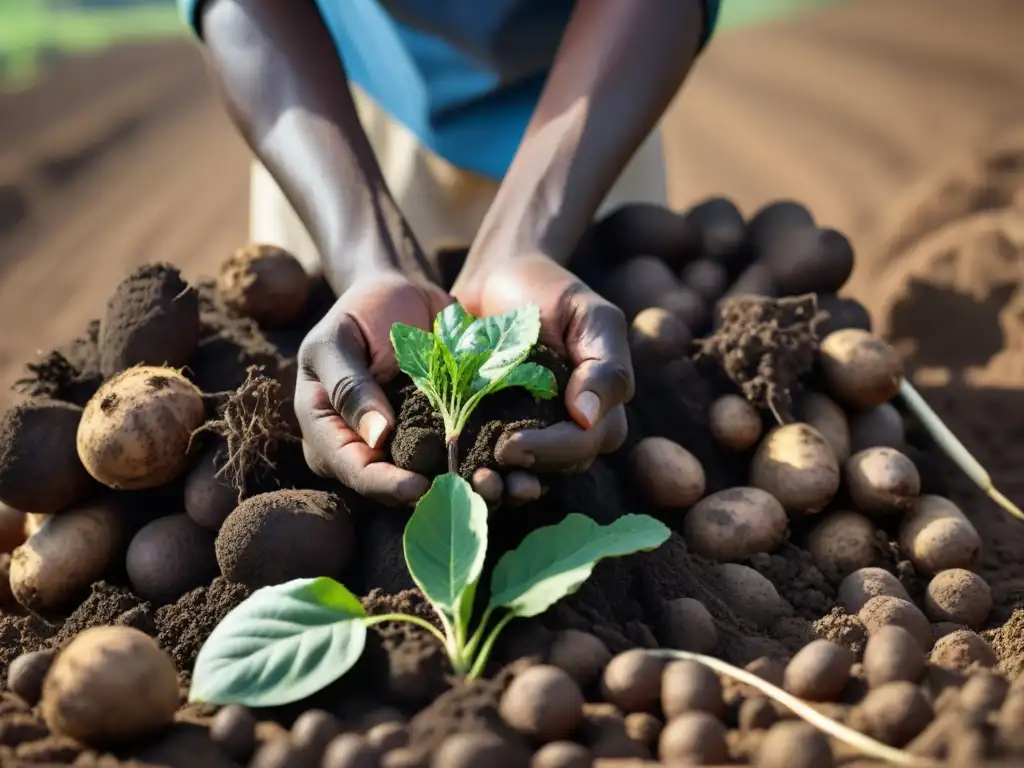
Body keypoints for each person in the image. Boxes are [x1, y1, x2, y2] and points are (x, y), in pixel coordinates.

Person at [178, 0, 721, 507]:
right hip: (327, 96)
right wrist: (367, 261)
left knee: (610, 380)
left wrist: (525, 245)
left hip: (600, 98)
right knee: (335, 363)